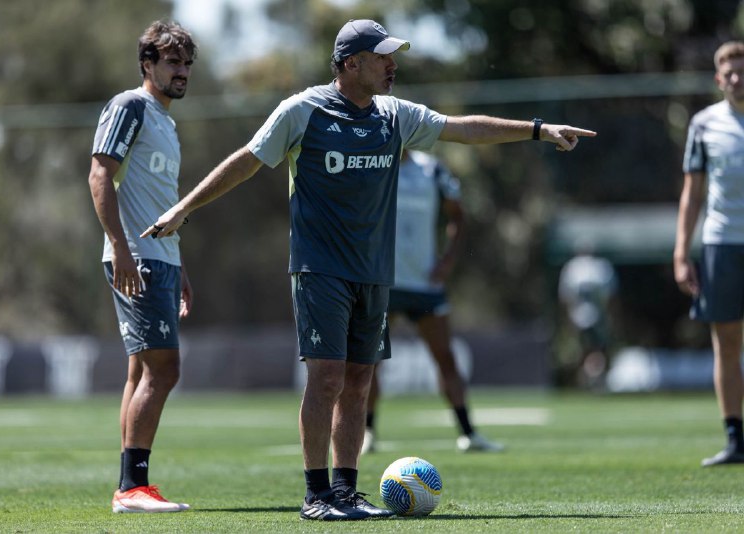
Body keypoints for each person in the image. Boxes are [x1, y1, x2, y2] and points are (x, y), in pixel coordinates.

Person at [142, 19, 596, 520]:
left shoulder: (393, 115)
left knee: (360, 379)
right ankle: (317, 496)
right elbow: (248, 160)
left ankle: (346, 490)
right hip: (320, 269)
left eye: (391, 56)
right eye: (382, 57)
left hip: (375, 273)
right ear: (350, 63)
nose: (392, 65)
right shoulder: (303, 111)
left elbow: (461, 129)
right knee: (328, 378)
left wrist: (537, 130)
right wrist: (184, 208)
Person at [88, 20, 197, 512]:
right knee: (164, 369)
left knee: (139, 373)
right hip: (138, 260)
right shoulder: (131, 106)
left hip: (160, 259)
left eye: (187, 63)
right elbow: (99, 175)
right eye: (173, 61)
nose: (182, 71)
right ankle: (133, 487)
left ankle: (129, 483)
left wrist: (181, 267)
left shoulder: (166, 121)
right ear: (147, 63)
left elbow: (157, 201)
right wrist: (122, 247)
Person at [361, 150, 504, 455]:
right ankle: (367, 433)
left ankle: (468, 433)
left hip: (424, 285)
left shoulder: (433, 170)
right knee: (369, 365)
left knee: (446, 359)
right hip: (383, 282)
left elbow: (458, 214)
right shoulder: (369, 161)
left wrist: (448, 260)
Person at [675, 40, 744, 467]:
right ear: (719, 79)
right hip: (721, 244)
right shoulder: (703, 125)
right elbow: (692, 194)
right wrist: (681, 252)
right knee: (727, 343)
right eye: (730, 73)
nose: (737, 79)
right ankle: (736, 438)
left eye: (743, 71)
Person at [557, 245, 618, 389]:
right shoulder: (601, 267)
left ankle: (589, 381)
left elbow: (565, 299)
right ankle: (592, 381)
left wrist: (568, 319)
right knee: (595, 350)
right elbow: (611, 298)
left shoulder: (572, 268)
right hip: (593, 317)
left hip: (580, 317)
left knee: (587, 351)